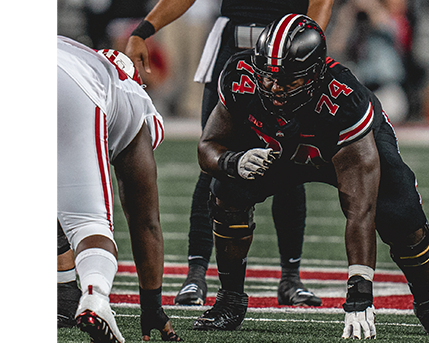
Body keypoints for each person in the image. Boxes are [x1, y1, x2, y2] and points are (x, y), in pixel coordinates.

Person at [193, 14, 429, 338]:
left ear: (314, 74)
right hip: (281, 149)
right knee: (226, 189)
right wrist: (233, 162)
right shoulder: (241, 76)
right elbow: (208, 145)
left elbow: (360, 210)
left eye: (288, 80)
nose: (274, 88)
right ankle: (229, 299)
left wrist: (360, 291)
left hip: (340, 149)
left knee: (403, 214)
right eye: (267, 78)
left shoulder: (343, 99)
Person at [125, 0, 334, 307]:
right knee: (213, 158)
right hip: (231, 48)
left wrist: (300, 51)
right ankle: (195, 275)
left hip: (286, 59)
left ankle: (291, 278)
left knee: (290, 162)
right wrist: (143, 31)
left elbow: (320, 2)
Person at [57, 35, 182, 342]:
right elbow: (145, 222)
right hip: (69, 87)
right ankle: (95, 298)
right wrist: (152, 305)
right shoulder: (127, 94)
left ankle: (61, 296)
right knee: (88, 223)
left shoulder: (81, 57)